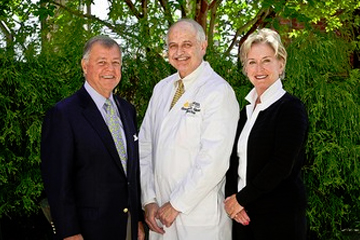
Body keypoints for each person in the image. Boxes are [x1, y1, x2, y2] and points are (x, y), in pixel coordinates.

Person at [139, 19, 239, 240]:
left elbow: (214, 160)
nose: (179, 52)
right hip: (159, 216)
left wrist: (176, 204)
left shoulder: (218, 91)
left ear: (203, 46)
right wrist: (148, 200)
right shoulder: (162, 89)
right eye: (173, 45)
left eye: (187, 44)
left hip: (197, 216)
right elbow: (145, 148)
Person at [41, 35, 145, 240]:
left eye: (116, 63)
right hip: (88, 231)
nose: (110, 69)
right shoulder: (64, 114)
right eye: (102, 62)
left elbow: (131, 172)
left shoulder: (127, 110)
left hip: (128, 226)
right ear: (85, 65)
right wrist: (69, 232)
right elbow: (57, 181)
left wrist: (137, 220)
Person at [224, 28, 308, 240]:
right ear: (245, 68)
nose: (259, 68)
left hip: (279, 218)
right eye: (252, 62)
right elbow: (233, 161)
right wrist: (231, 200)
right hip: (243, 217)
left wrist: (240, 199)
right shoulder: (246, 112)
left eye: (266, 60)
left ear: (281, 64)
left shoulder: (291, 108)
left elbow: (281, 165)